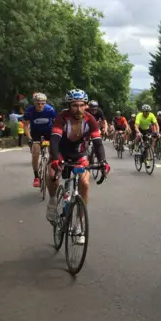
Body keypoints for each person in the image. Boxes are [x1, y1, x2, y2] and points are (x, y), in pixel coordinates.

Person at [46, 89, 110, 237]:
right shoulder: (62, 118)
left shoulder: (90, 120)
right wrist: (55, 159)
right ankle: (53, 201)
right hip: (61, 152)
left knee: (85, 184)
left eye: (82, 105)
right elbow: (54, 141)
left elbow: (98, 143)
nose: (79, 109)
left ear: (86, 105)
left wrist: (103, 162)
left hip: (79, 154)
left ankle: (80, 224)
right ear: (69, 106)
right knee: (52, 175)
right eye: (75, 105)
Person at [23, 93, 57, 188]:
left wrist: (56, 136)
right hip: (36, 132)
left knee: (53, 152)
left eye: (42, 103)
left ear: (45, 103)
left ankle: (52, 170)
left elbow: (56, 124)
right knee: (36, 151)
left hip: (48, 131)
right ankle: (36, 177)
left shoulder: (50, 110)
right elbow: (25, 125)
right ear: (34, 103)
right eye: (38, 103)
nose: (40, 105)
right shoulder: (30, 111)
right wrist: (29, 138)